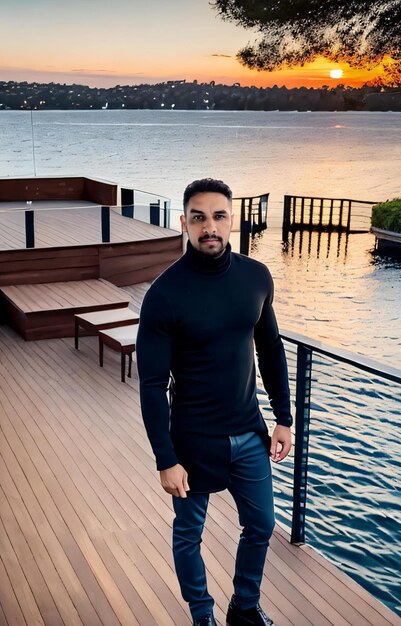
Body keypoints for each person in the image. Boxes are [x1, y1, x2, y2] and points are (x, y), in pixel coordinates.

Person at [136, 178, 292, 626]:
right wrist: (165, 457)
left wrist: (284, 416)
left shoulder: (256, 277)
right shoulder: (164, 295)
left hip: (249, 431)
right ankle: (202, 615)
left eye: (219, 216)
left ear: (232, 220)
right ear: (184, 223)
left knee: (262, 524)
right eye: (199, 217)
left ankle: (243, 607)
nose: (210, 227)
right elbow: (151, 385)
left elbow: (271, 348)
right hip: (192, 439)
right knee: (189, 534)